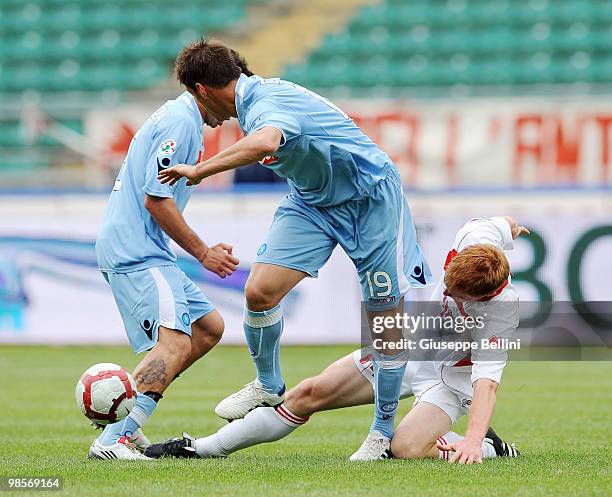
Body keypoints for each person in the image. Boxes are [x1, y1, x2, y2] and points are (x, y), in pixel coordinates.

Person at [158, 38, 433, 460]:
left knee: (384, 322)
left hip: (369, 200)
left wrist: (200, 169)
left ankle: (381, 432)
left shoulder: (269, 102)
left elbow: (266, 143)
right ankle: (268, 384)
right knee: (258, 291)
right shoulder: (255, 104)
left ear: (201, 90)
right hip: (312, 201)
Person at [145, 216, 525, 464]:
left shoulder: (501, 315)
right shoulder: (475, 239)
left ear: (485, 297)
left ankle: (489, 446)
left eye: (461, 297)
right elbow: (503, 223)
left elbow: (487, 384)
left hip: (449, 381)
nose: (450, 295)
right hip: (406, 347)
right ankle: (202, 447)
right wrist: (511, 225)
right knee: (306, 394)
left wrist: (473, 440)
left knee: (404, 449)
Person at [89, 49, 253, 460]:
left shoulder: (183, 119)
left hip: (146, 247)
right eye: (229, 93)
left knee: (208, 328)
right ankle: (114, 438)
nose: (234, 105)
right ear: (203, 90)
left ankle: (127, 422)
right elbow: (156, 199)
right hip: (137, 250)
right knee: (175, 342)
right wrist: (203, 253)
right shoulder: (180, 123)